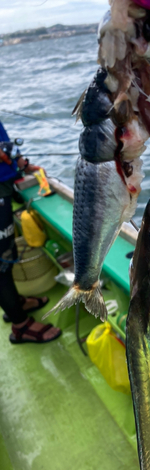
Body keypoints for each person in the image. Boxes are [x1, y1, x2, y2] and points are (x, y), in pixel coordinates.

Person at [0, 120, 61, 343]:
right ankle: (20, 326)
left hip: (4, 182)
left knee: (7, 251)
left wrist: (19, 162)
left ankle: (14, 302)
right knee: (1, 263)